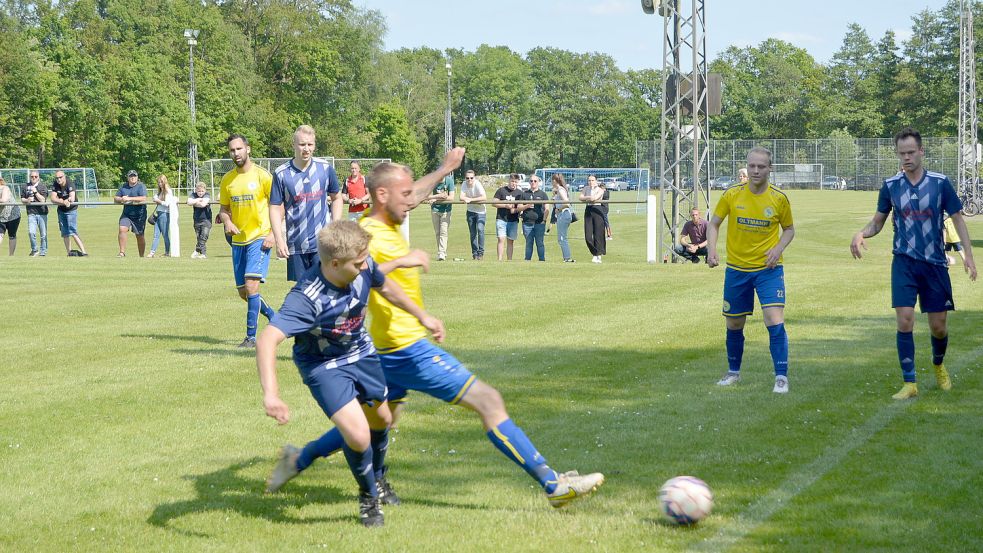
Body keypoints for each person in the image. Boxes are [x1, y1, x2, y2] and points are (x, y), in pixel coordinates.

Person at [286, 149, 605, 509]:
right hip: (406, 350)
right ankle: (553, 485)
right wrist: (404, 261)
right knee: (489, 401)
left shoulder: (389, 217)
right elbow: (358, 269)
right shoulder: (369, 231)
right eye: (404, 196)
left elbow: (413, 193)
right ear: (382, 196)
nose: (413, 200)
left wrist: (445, 169)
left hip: (385, 349)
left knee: (376, 423)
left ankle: (300, 458)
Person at [258, 221, 445, 527]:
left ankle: (375, 476)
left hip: (361, 353)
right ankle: (369, 497)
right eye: (358, 264)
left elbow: (385, 286)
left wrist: (423, 316)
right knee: (358, 435)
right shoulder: (306, 297)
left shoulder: (363, 264)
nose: (364, 267)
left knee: (383, 420)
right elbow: (268, 339)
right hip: (323, 365)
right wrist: (271, 394)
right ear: (334, 264)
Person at [850, 127, 977, 400]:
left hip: (934, 264)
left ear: (921, 151)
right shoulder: (891, 185)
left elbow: (957, 219)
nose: (906, 158)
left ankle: (938, 364)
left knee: (938, 326)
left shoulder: (940, 183)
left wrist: (969, 255)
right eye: (901, 153)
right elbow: (878, 222)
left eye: (910, 152)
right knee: (904, 320)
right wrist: (861, 233)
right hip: (904, 263)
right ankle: (910, 383)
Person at [707, 146, 795, 393]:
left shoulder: (779, 199)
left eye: (761, 166)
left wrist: (778, 248)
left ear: (770, 169)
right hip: (736, 269)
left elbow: (789, 229)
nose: (755, 171)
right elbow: (714, 224)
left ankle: (781, 377)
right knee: (734, 324)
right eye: (752, 166)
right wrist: (711, 250)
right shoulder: (732, 195)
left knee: (773, 319)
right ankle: (733, 372)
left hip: (768, 269)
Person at [218, 133, 277, 348]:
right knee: (244, 293)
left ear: (248, 149)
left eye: (239, 149)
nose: (236, 153)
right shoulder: (227, 180)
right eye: (232, 150)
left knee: (252, 287)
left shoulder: (263, 176)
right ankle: (275, 317)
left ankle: (251, 338)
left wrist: (273, 234)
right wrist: (227, 221)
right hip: (238, 241)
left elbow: (278, 207)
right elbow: (224, 209)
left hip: (259, 238)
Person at [270, 124, 343, 281]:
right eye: (302, 144)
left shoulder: (325, 168)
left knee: (325, 289)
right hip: (296, 245)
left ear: (314, 145)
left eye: (310, 144)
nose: (306, 149)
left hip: (323, 244)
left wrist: (334, 228)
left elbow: (337, 198)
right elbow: (275, 208)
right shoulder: (281, 174)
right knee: (303, 294)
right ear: (294, 145)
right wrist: (279, 239)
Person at [49, 171, 88, 256]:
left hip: (71, 210)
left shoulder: (70, 183)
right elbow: (52, 198)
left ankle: (84, 252)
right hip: (61, 210)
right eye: (57, 178)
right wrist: (63, 201)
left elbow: (72, 198)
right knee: (64, 232)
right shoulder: (55, 184)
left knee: (72, 230)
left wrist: (68, 200)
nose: (58, 179)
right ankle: (69, 253)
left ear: (64, 176)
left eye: (60, 177)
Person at [114, 170, 148, 258]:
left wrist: (129, 199)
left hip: (139, 215)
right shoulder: (123, 187)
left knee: (139, 235)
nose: (133, 177)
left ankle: (141, 256)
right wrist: (121, 199)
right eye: (131, 176)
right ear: (128, 177)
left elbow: (143, 198)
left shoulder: (141, 186)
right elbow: (116, 198)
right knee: (122, 229)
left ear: (137, 177)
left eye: (134, 176)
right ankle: (122, 252)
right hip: (127, 214)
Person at [519, 175, 549, 261]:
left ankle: (542, 260)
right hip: (527, 223)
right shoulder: (524, 194)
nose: (533, 183)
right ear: (529, 182)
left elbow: (547, 209)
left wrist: (544, 220)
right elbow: (519, 208)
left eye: (535, 181)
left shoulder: (543, 194)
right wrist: (527, 206)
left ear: (538, 182)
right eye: (531, 181)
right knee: (529, 243)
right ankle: (527, 261)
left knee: (540, 243)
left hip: (539, 223)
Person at [492, 174, 522, 261]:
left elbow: (520, 206)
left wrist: (515, 209)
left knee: (510, 241)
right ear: (509, 181)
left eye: (516, 182)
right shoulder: (501, 190)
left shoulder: (519, 193)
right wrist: (505, 205)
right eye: (512, 181)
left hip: (513, 220)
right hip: (501, 218)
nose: (514, 184)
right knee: (501, 239)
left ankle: (509, 260)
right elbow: (494, 203)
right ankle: (499, 260)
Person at [459, 169, 486, 260]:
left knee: (480, 229)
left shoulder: (477, 184)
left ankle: (481, 253)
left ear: (474, 178)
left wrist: (470, 200)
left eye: (471, 178)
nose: (469, 180)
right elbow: (461, 197)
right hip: (470, 211)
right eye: (467, 178)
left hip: (481, 211)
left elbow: (484, 197)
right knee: (473, 233)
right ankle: (475, 254)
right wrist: (468, 199)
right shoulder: (464, 184)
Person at [579, 175, 606, 263]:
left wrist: (587, 198)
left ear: (596, 181)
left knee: (598, 234)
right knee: (588, 236)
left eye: (592, 180)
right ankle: (594, 252)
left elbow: (594, 199)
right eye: (589, 180)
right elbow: (580, 198)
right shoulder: (586, 188)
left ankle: (598, 255)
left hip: (597, 210)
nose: (591, 182)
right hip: (589, 210)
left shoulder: (600, 190)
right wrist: (587, 198)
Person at [149, 175, 176, 258]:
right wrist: (156, 198)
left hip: (164, 214)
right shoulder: (160, 191)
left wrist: (158, 200)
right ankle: (152, 252)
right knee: (156, 235)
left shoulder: (168, 191)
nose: (160, 184)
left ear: (165, 181)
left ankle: (167, 252)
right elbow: (156, 198)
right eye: (158, 182)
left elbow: (167, 204)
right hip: (158, 214)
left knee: (165, 235)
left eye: (161, 182)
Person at [428, 174, 455, 261]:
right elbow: (426, 196)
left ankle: (441, 253)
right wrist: (438, 196)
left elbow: (451, 198)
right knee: (437, 232)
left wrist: (435, 199)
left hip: (446, 210)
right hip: (435, 209)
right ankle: (441, 252)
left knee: (444, 232)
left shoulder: (449, 181)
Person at [21, 170, 48, 256]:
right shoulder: (25, 186)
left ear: (38, 177)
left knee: (43, 234)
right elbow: (22, 199)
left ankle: (43, 252)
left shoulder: (43, 186)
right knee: (31, 232)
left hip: (42, 213)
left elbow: (43, 200)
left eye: (35, 177)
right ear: (30, 177)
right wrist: (27, 200)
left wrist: (35, 191)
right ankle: (34, 250)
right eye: (32, 177)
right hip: (31, 213)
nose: (34, 178)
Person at [551, 174, 575, 262]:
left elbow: (567, 203)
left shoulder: (561, 189)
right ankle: (566, 257)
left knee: (562, 238)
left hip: (564, 214)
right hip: (563, 215)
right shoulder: (559, 190)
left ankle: (567, 258)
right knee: (561, 237)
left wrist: (558, 209)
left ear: (554, 181)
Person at [187, 182, 213, 258]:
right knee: (199, 237)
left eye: (202, 191)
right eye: (199, 191)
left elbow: (203, 204)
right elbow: (189, 202)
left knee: (204, 236)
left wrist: (194, 202)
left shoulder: (207, 195)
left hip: (206, 219)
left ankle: (196, 250)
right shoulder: (193, 195)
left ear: (205, 191)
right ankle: (203, 254)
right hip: (197, 219)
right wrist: (198, 199)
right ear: (196, 190)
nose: (201, 193)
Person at [0, 175, 22, 255]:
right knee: (0, 234)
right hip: (1, 216)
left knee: (12, 235)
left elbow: (4, 200)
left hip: (13, 215)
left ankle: (11, 255)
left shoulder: (4, 188)